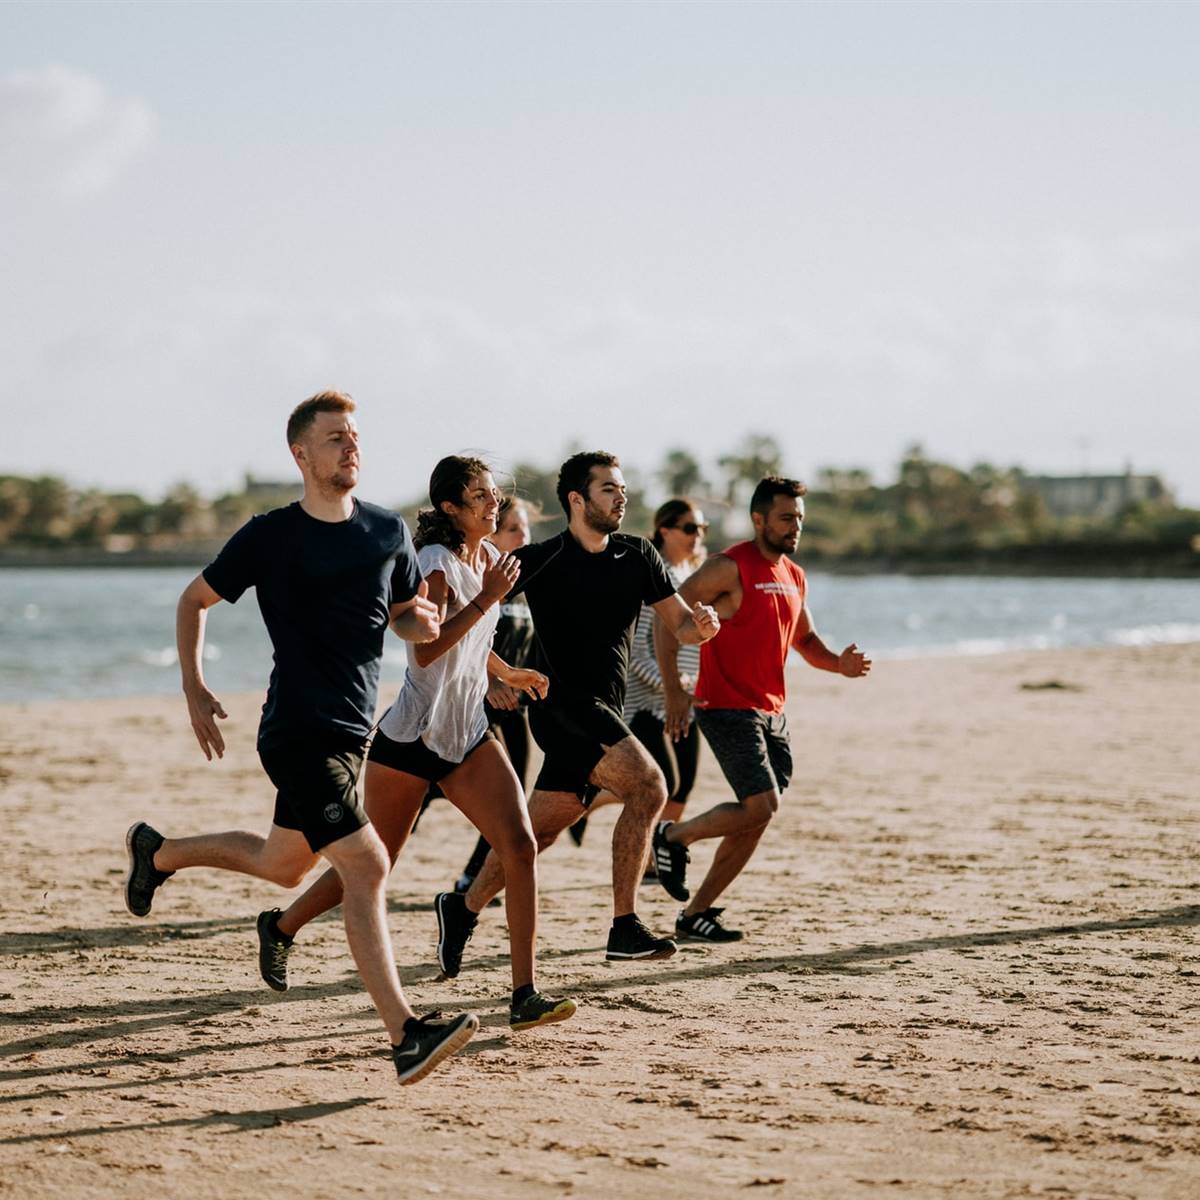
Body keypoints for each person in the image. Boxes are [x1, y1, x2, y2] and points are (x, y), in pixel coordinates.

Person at [123, 391, 478, 1085]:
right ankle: (406, 1033)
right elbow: (194, 600)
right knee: (368, 865)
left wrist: (423, 625)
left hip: (351, 733)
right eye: (335, 437)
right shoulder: (271, 534)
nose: (351, 447)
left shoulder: (386, 531)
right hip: (294, 731)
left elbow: (406, 614)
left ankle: (157, 852)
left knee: (283, 866)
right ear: (301, 453)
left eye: (355, 435)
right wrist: (193, 687)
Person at [258, 457, 576, 1032]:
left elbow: (471, 644)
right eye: (478, 496)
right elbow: (426, 650)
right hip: (410, 738)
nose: (492, 503)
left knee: (520, 846)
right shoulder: (434, 564)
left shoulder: (487, 561)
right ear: (452, 509)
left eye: (493, 493)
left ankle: (524, 993)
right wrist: (487, 599)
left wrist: (507, 674)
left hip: (467, 735)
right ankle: (281, 926)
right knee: (374, 863)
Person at [434, 451, 720, 975]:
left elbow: (680, 625)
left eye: (621, 487)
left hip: (604, 707)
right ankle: (624, 927)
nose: (621, 496)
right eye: (608, 488)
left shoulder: (637, 555)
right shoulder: (541, 559)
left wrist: (702, 626)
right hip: (561, 706)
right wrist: (495, 676)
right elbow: (470, 616)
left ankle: (462, 906)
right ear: (576, 499)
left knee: (536, 834)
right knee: (649, 786)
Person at [653, 476, 872, 942]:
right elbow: (666, 617)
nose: (795, 527)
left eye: (799, 519)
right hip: (725, 706)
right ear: (759, 520)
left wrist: (841, 665)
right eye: (786, 518)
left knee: (758, 815)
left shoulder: (794, 575)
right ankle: (673, 837)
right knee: (762, 803)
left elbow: (806, 642)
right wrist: (673, 690)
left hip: (772, 711)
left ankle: (696, 914)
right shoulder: (727, 567)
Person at [570, 498, 710, 864]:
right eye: (691, 528)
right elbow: (635, 654)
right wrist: (673, 687)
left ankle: (654, 857)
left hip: (686, 698)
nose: (699, 536)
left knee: (684, 786)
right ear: (665, 530)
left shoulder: (692, 577)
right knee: (663, 782)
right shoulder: (656, 576)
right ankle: (588, 805)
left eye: (703, 530)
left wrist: (693, 686)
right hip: (648, 702)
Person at [453, 496, 539, 893]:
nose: (524, 537)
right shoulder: (483, 583)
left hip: (514, 711)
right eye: (513, 530)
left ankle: (472, 874)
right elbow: (460, 640)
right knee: (493, 799)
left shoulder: (525, 586)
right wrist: (491, 682)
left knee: (512, 798)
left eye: (526, 529)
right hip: (477, 708)